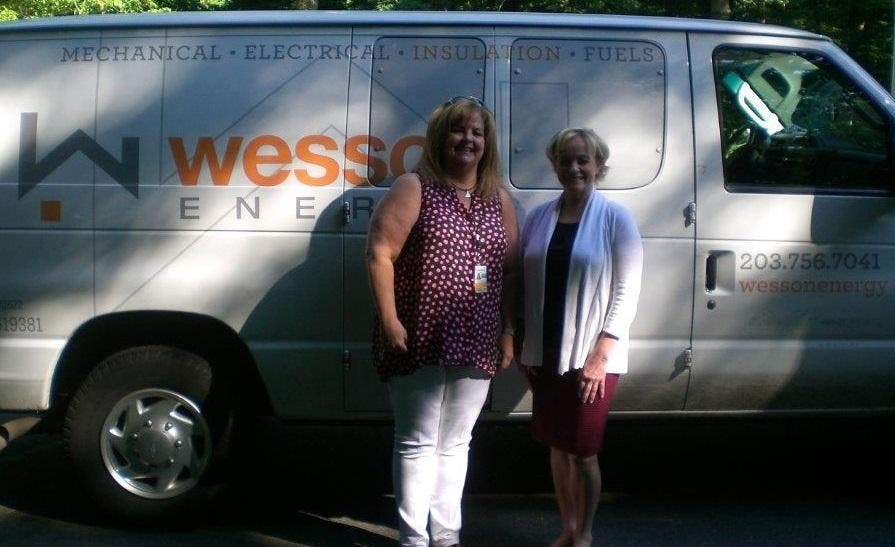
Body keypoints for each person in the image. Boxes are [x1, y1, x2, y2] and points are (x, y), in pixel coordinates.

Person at [366, 96, 519, 547]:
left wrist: (508, 330)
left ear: (487, 143)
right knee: (416, 441)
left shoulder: (498, 200)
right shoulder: (414, 187)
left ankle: (447, 535)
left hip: (478, 337)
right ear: (439, 137)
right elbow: (379, 253)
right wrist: (389, 320)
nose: (468, 139)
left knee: (455, 443)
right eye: (458, 130)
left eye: (477, 132)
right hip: (420, 333)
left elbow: (510, 271)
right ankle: (414, 538)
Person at [519, 128, 643, 547]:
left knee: (584, 450)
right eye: (565, 160)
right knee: (558, 446)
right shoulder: (539, 218)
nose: (573, 167)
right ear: (554, 165)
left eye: (582, 160)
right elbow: (524, 284)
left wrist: (600, 356)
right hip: (545, 353)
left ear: (598, 166)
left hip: (593, 358)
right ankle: (567, 528)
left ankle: (585, 534)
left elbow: (627, 291)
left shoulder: (616, 218)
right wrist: (525, 346)